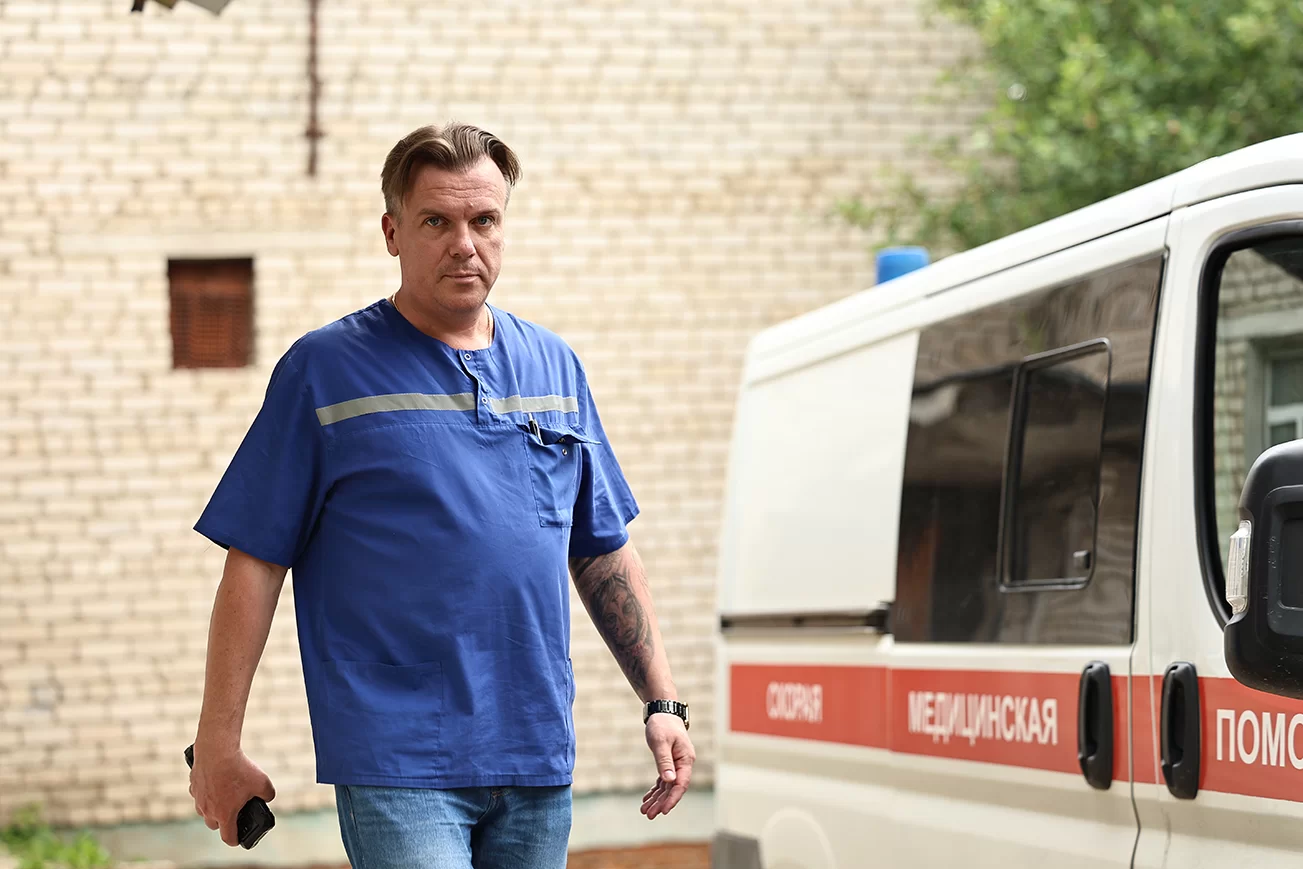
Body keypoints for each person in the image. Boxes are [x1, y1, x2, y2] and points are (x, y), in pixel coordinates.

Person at [186, 122, 695, 868]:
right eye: (436, 222)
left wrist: (662, 701)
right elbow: (256, 560)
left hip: (535, 750)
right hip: (399, 755)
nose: (465, 244)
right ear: (393, 232)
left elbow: (600, 548)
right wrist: (218, 742)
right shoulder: (324, 373)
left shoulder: (555, 368)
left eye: (484, 220)